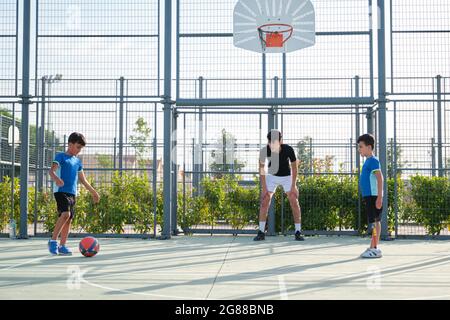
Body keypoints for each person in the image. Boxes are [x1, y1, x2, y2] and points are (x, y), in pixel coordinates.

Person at [48, 132, 100, 256]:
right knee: (66, 214)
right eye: (78, 147)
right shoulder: (60, 156)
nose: (79, 150)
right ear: (70, 144)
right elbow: (51, 171)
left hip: (72, 193)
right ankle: (53, 241)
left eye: (81, 148)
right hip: (60, 191)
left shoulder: (77, 162)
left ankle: (62, 246)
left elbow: (83, 180)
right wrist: (57, 179)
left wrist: (94, 192)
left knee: (68, 219)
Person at [255, 130, 304, 241]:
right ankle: (261, 232)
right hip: (272, 176)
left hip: (287, 176)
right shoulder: (264, 151)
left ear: (281, 140)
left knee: (293, 199)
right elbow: (262, 169)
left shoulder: (289, 149)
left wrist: (293, 186)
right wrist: (264, 188)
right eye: (271, 142)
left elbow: (295, 168)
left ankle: (298, 232)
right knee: (265, 201)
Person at [358, 134, 384, 259]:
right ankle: (373, 246)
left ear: (369, 147)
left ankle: (374, 248)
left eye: (361, 147)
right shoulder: (368, 161)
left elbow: (380, 178)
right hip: (369, 196)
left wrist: (379, 197)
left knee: (374, 223)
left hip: (373, 196)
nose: (359, 149)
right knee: (374, 222)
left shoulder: (373, 160)